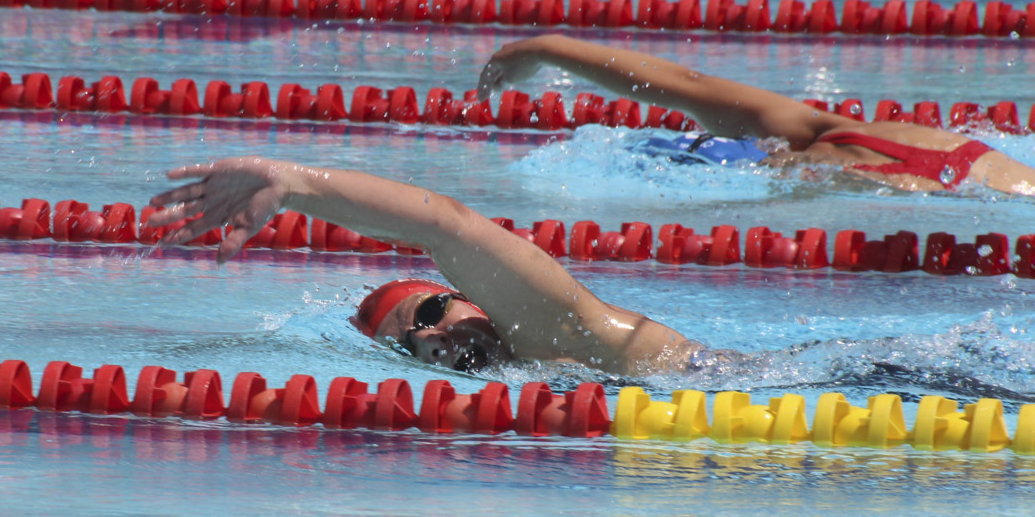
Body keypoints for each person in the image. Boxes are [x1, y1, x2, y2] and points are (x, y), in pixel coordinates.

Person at [147, 157, 697, 376]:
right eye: (409, 344)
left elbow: (443, 225)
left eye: (431, 309)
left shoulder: (557, 332)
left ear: (471, 294)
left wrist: (296, 186)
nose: (432, 336)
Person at [478, 34, 1035, 199]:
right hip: (1001, 175)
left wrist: (543, 47)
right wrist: (545, 49)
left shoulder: (815, 149)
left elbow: (682, 86)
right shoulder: (836, 137)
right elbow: (683, 86)